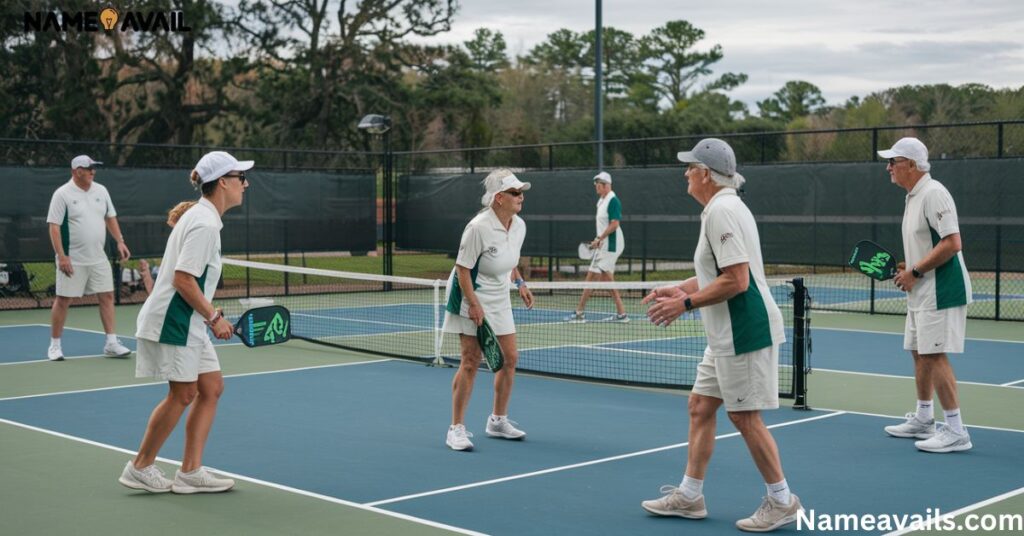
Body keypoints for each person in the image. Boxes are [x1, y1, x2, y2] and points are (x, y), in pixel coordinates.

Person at [640, 139, 803, 532]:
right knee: (699, 406)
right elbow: (719, 272)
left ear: (706, 175)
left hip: (744, 330)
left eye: (690, 167)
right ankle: (690, 496)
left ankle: (783, 501)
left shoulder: (723, 212)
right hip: (725, 333)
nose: (685, 173)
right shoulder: (722, 208)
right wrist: (682, 288)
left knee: (745, 416)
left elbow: (737, 280)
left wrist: (686, 304)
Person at [118, 151, 251, 494]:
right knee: (183, 393)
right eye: (241, 178)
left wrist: (206, 314)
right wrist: (214, 316)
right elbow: (182, 279)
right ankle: (140, 467)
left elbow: (191, 281)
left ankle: (190, 472)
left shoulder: (204, 219)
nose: (245, 184)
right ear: (223, 182)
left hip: (188, 320)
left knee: (211, 388)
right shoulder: (204, 223)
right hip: (173, 322)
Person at [879, 137, 973, 453]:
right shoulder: (913, 197)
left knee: (934, 355)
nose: (888, 167)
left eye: (894, 161)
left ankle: (957, 431)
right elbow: (929, 245)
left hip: (941, 289)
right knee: (919, 352)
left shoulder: (934, 194)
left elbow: (952, 242)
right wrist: (911, 266)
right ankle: (923, 419)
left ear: (913, 165)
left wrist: (915, 272)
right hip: (922, 290)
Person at [444, 168, 535, 451]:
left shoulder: (518, 225)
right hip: (469, 292)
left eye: (521, 192)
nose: (521, 197)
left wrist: (519, 282)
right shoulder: (478, 227)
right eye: (515, 193)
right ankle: (456, 429)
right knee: (471, 360)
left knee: (509, 358)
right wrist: (473, 304)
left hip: (499, 295)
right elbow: (462, 269)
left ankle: (497, 420)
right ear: (498, 198)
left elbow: (509, 260)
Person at [45, 155, 133, 361]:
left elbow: (110, 217)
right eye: (89, 168)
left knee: (107, 296)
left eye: (94, 168)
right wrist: (62, 256)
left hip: (98, 258)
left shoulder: (101, 191)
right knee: (64, 300)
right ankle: (55, 345)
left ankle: (111, 343)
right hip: (71, 258)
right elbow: (54, 228)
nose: (93, 171)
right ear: (77, 171)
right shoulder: (62, 194)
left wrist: (120, 241)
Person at [564, 171, 627, 323]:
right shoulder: (601, 201)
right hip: (604, 243)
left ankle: (581, 313)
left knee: (597, 277)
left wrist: (600, 238)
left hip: (612, 244)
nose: (596, 187)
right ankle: (620, 314)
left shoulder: (613, 200)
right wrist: (598, 239)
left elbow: (614, 224)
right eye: (596, 184)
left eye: (598, 184)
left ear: (606, 185)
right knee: (598, 277)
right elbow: (604, 226)